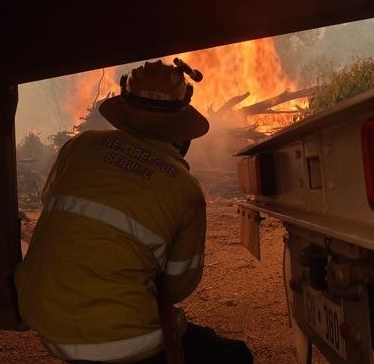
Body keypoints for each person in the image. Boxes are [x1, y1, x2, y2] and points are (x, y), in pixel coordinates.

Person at [15, 60, 253, 364]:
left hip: (41, 313)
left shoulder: (79, 146)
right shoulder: (184, 189)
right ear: (182, 130)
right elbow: (177, 286)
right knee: (234, 357)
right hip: (120, 340)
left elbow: (51, 201)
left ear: (124, 111)